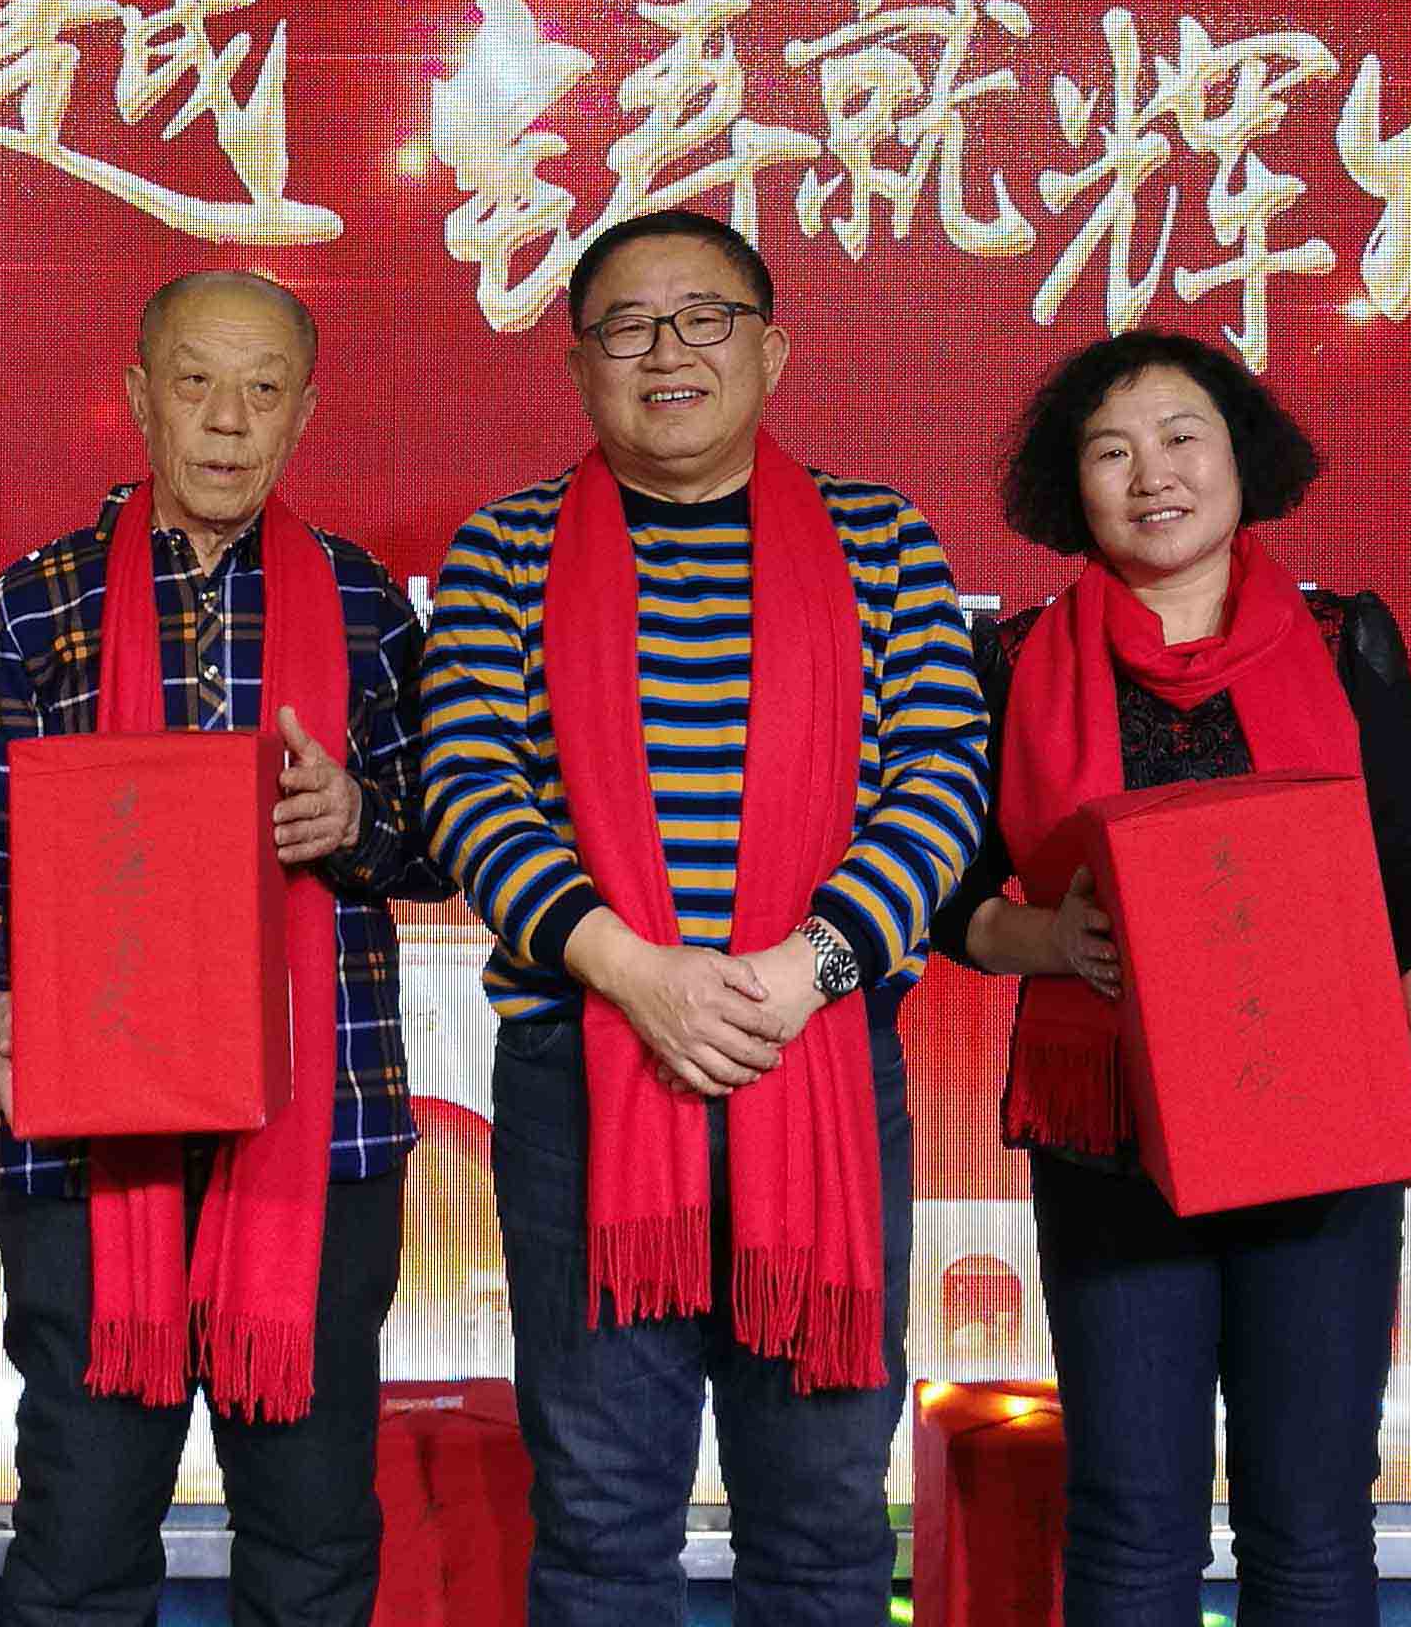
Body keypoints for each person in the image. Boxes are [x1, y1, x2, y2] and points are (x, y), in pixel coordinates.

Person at [418, 211, 990, 1625]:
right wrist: (634, 974)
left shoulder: (881, 540)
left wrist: (806, 969)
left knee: (826, 1522)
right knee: (602, 1522)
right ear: (579, 366)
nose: (666, 350)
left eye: (704, 317)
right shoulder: (503, 553)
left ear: (771, 349)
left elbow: (941, 776)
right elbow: (469, 789)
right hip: (587, 1074)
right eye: (627, 325)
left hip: (822, 1063)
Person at [0, 269, 446, 1627]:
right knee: (81, 1540)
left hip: (318, 1135)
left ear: (304, 413)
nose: (227, 419)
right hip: (88, 1140)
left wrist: (357, 822)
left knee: (314, 1542)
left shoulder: (367, 606)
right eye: (197, 382)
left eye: (264, 390)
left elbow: (447, 843)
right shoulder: (38, 603)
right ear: (138, 396)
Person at [930, 327, 1411, 1627]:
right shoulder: (1010, 664)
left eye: (1182, 437)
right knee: (1130, 1528)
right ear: (1072, 485)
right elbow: (949, 900)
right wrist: (1051, 941)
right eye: (1111, 451)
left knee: (1313, 1528)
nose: (1153, 474)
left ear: (1242, 455)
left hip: (1326, 1125)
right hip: (1111, 1138)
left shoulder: (1344, 643)